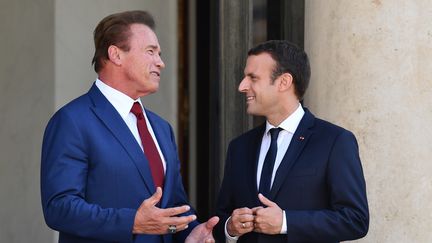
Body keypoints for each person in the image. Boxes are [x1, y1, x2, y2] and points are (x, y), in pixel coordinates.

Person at [41, 10, 218, 243]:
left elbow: (173, 204)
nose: (161, 63)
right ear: (116, 54)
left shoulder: (162, 129)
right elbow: (59, 208)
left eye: (160, 54)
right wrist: (132, 222)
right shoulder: (72, 120)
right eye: (150, 52)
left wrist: (190, 231)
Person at [215, 40, 369, 243]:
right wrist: (230, 228)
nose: (242, 86)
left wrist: (286, 222)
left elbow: (355, 219)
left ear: (284, 82)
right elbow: (221, 217)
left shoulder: (335, 141)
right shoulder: (239, 147)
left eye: (252, 78)